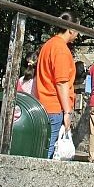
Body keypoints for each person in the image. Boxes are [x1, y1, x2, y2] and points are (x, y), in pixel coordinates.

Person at [34, 11, 79, 158]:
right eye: (78, 29)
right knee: (50, 153)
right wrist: (67, 112)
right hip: (55, 108)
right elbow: (61, 82)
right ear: (71, 29)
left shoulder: (48, 45)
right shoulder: (61, 49)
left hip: (42, 104)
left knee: (42, 150)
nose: (78, 34)